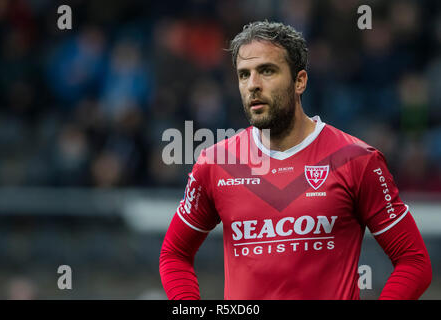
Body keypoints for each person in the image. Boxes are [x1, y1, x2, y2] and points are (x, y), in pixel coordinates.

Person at [159, 21, 432, 300]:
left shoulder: (356, 160)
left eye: (267, 71)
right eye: (244, 75)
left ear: (299, 81)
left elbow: (413, 261)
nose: (253, 85)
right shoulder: (216, 163)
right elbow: (174, 254)